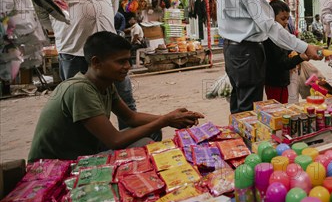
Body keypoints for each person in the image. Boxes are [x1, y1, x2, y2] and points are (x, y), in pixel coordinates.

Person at [28, 32, 203, 161]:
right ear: (96, 62)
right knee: (148, 143)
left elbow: (131, 117)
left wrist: (171, 118)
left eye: (128, 60)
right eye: (121, 61)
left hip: (87, 149)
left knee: (152, 129)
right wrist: (166, 120)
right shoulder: (79, 89)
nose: (127, 66)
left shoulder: (105, 84)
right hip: (58, 163)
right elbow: (115, 141)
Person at [32, 0, 138, 130]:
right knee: (81, 111)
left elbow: (112, 6)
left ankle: (131, 151)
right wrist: (63, 28)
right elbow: (42, 11)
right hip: (74, 51)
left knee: (126, 103)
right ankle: (89, 155)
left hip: (109, 52)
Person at [216, 0, 322, 114]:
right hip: (247, 51)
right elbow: (268, 24)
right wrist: (303, 47)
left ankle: (238, 141)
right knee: (248, 110)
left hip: (232, 49)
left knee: (239, 104)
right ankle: (246, 142)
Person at [264, 0, 308, 103]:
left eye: (287, 19)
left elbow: (288, 51)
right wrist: (300, 57)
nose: (286, 22)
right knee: (276, 110)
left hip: (283, 81)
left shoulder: (282, 35)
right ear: (272, 19)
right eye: (283, 19)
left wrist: (296, 54)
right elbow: (281, 63)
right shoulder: (269, 39)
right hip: (274, 83)